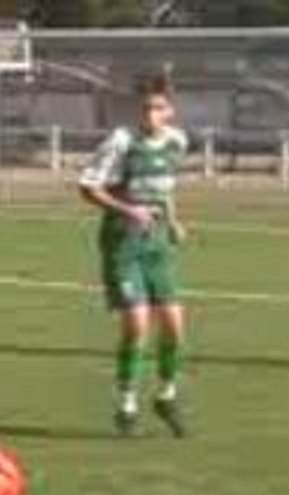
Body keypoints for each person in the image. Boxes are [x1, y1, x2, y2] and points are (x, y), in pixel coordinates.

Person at [78, 75, 189, 438]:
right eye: (145, 108)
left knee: (174, 322)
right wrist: (128, 210)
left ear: (170, 111)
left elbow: (166, 189)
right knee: (137, 324)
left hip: (156, 243)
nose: (151, 114)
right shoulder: (121, 142)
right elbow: (87, 187)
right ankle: (126, 401)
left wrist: (173, 222)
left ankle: (167, 395)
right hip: (122, 243)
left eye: (158, 108)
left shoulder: (176, 142)